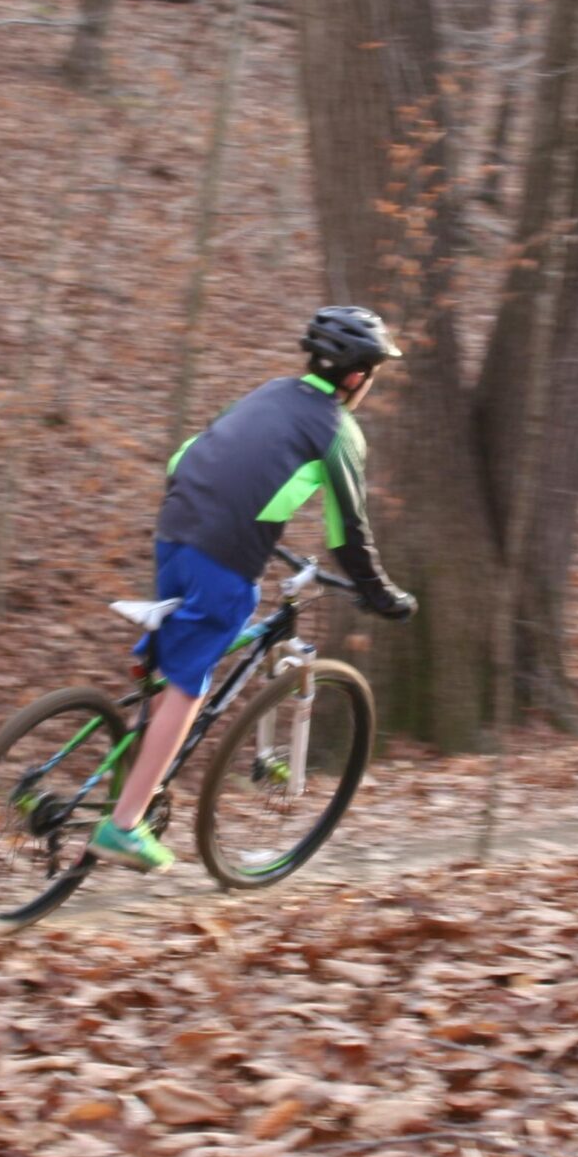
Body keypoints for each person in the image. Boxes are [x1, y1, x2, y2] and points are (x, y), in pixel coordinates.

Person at [88, 306, 418, 872]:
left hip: (175, 531)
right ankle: (124, 824)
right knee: (194, 683)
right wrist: (382, 595)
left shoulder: (268, 392)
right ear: (358, 376)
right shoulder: (339, 430)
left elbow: (187, 455)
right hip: (225, 556)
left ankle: (152, 673)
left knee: (191, 636)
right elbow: (348, 534)